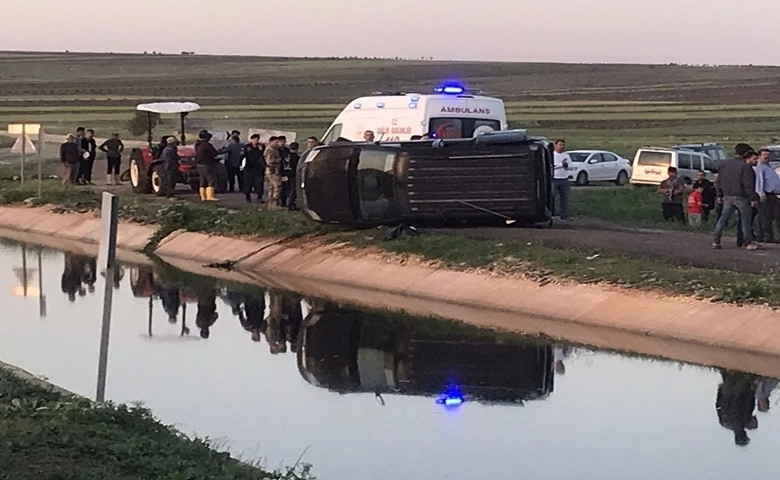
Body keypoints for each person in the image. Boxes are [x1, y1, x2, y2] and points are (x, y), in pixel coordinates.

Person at [713, 144, 760, 250]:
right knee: (745, 221)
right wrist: (753, 198)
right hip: (741, 197)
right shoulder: (745, 166)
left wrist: (719, 194)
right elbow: (748, 184)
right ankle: (748, 242)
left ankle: (716, 240)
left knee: (723, 219)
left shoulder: (725, 164)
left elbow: (719, 180)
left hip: (728, 196)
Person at [754, 148, 780, 243]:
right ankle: (767, 237)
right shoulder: (760, 167)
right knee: (766, 217)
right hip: (766, 195)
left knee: (776, 215)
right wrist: (761, 193)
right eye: (764, 155)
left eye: (768, 155)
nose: (767, 156)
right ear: (759, 156)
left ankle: (771, 236)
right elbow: (759, 181)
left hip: (774, 195)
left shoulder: (768, 166)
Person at [194, 130, 221, 202]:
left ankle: (203, 197)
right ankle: (210, 196)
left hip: (199, 164)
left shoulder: (197, 144)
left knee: (202, 180)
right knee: (211, 179)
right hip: (207, 163)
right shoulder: (207, 145)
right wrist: (223, 150)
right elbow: (214, 153)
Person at [241, 134, 265, 203]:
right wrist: (241, 165)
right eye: (254, 139)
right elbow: (242, 157)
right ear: (251, 140)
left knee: (259, 183)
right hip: (248, 168)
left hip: (258, 168)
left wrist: (261, 150)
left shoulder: (261, 146)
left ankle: (259, 197)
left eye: (257, 139)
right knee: (247, 183)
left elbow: (264, 156)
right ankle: (247, 197)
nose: (256, 141)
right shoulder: (247, 147)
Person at [552, 139, 572, 220]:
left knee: (564, 198)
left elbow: (570, 166)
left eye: (563, 145)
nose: (562, 147)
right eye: (560, 145)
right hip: (555, 178)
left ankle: (564, 215)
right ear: (555, 145)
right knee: (552, 197)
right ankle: (551, 213)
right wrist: (562, 165)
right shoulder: (552, 155)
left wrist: (566, 165)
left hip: (565, 179)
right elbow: (553, 166)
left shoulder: (566, 156)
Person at [264, 136, 283, 210]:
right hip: (273, 171)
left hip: (272, 171)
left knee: (271, 187)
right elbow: (270, 161)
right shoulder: (270, 150)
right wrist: (279, 160)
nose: (277, 144)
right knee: (277, 186)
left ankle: (271, 205)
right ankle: (274, 204)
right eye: (276, 142)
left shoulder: (274, 150)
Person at [281, 141, 300, 209]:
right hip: (292, 175)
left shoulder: (285, 156)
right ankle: (290, 204)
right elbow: (295, 168)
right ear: (297, 148)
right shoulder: (297, 158)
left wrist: (282, 174)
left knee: (285, 189)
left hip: (284, 174)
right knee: (293, 190)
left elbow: (281, 165)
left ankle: (283, 202)